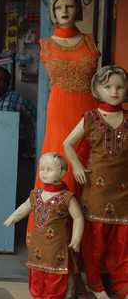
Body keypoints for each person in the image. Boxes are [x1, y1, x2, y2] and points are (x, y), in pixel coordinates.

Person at [29, 0, 100, 237]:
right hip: (59, 112)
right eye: (59, 7)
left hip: (89, 111)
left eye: (70, 6)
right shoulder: (46, 45)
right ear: (53, 12)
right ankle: (52, 240)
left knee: (90, 172)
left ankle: (85, 245)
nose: (65, 11)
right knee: (59, 169)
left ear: (77, 9)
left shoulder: (91, 41)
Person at [63, 65, 128, 299]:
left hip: (123, 192)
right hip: (96, 191)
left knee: (122, 242)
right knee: (95, 242)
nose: (114, 91)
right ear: (97, 90)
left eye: (120, 87)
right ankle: (94, 283)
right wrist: (77, 166)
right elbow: (67, 144)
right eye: (108, 86)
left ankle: (122, 283)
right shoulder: (91, 117)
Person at [4, 153, 84, 299]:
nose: (44, 173)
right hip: (37, 249)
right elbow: (25, 206)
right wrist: (13, 217)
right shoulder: (36, 195)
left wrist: (76, 239)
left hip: (57, 249)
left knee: (55, 280)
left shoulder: (67, 197)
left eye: (49, 169)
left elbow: (78, 217)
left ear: (62, 172)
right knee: (37, 279)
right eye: (42, 169)